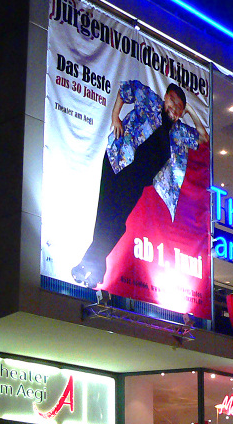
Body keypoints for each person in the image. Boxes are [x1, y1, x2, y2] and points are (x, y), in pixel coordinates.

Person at [71, 79, 209, 289]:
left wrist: (190, 110)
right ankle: (91, 269)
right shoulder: (150, 101)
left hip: (137, 180)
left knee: (115, 224)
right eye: (172, 101)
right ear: (165, 98)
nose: (175, 108)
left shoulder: (178, 132)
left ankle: (91, 268)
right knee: (107, 217)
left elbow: (203, 137)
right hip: (119, 162)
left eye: (180, 107)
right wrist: (114, 115)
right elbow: (127, 89)